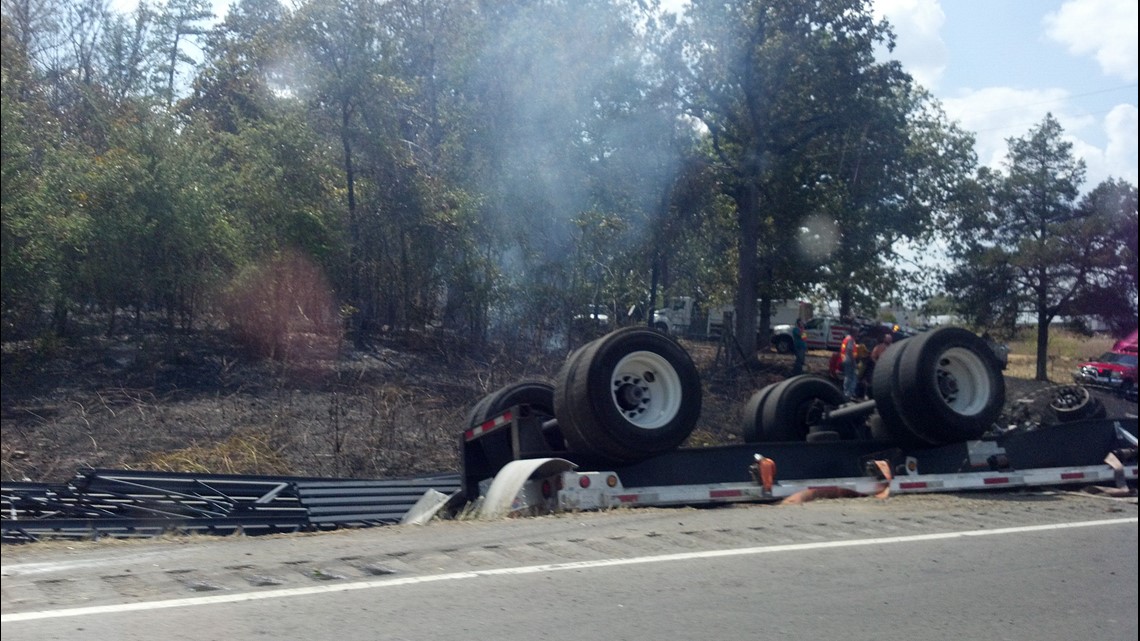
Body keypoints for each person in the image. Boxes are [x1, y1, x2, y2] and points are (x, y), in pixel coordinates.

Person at [840, 332, 859, 400]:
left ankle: (846, 392)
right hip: (850, 360)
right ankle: (850, 393)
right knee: (852, 376)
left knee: (847, 376)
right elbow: (850, 350)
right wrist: (853, 361)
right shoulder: (850, 340)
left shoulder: (845, 340)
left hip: (845, 359)